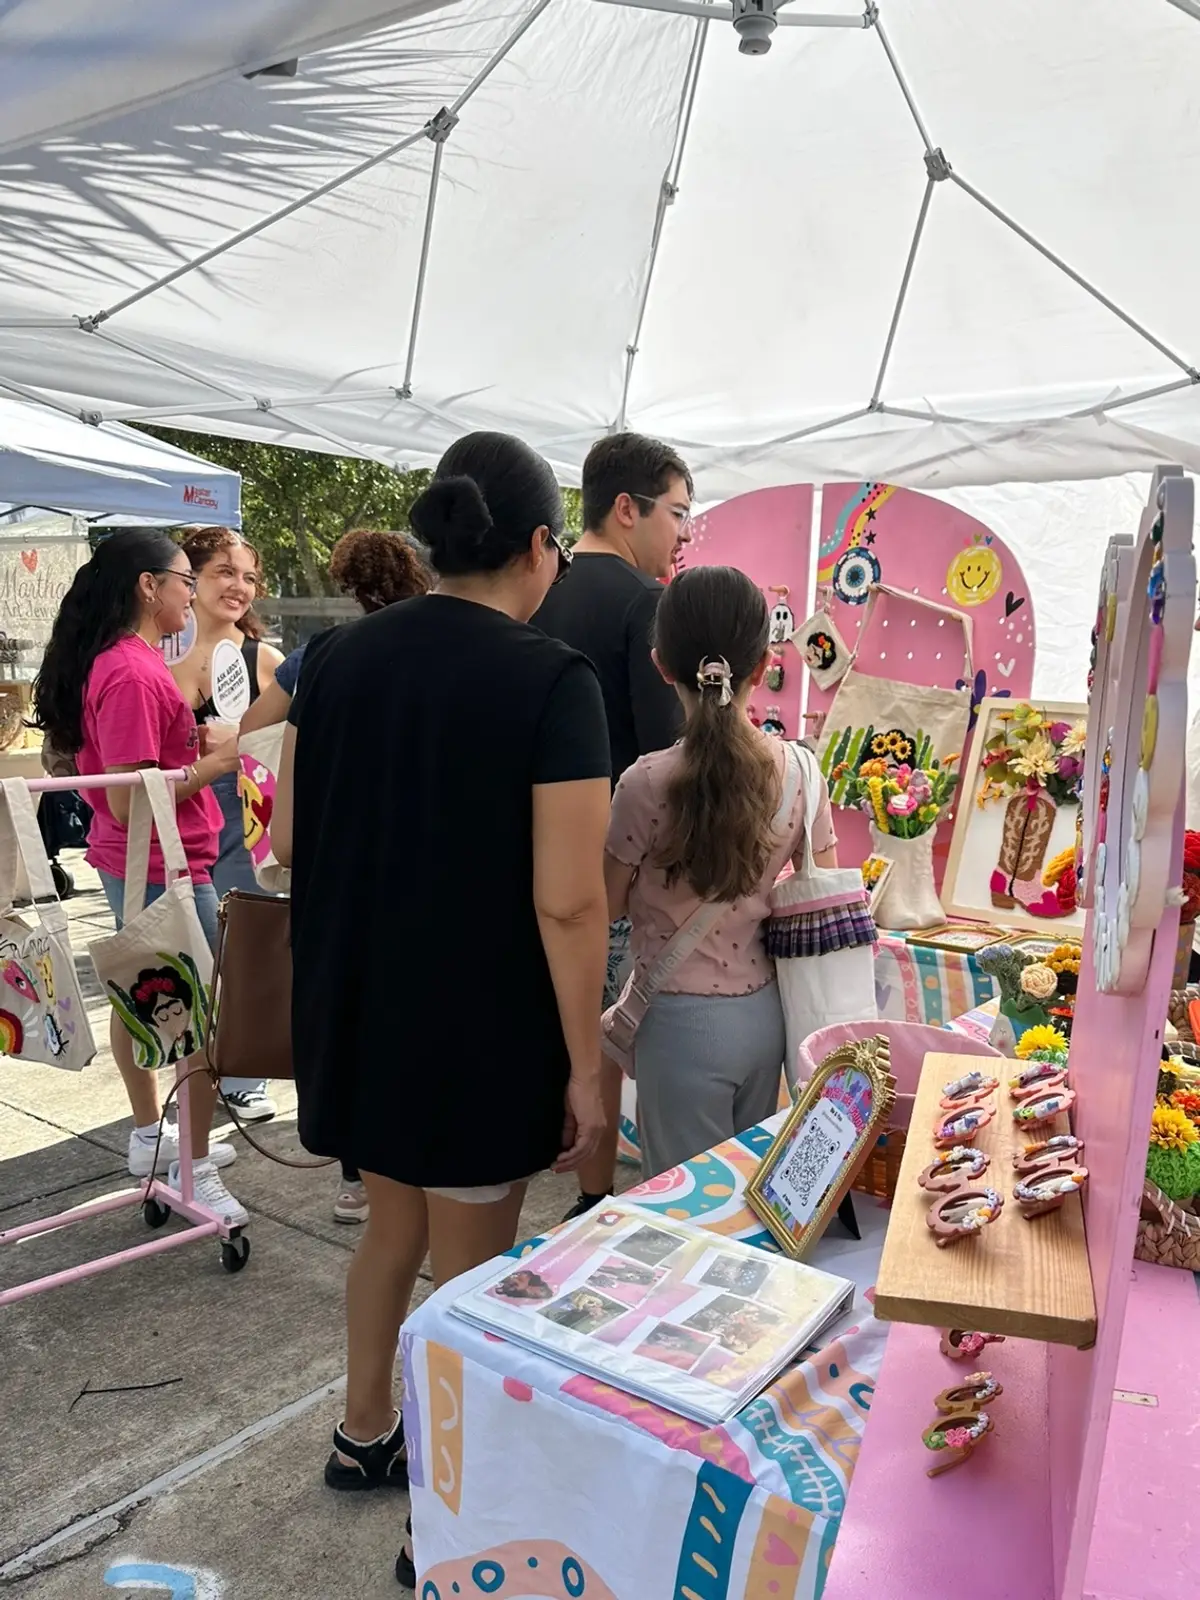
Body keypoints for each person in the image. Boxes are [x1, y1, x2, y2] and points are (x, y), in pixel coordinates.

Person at [269, 432, 611, 1590]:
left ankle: (365, 1433)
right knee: (473, 1277)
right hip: (475, 1032)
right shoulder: (552, 680)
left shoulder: (336, 660)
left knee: (393, 1232)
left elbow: (286, 842)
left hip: (360, 1018)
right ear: (536, 547)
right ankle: (442, 1522)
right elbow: (569, 905)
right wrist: (586, 1066)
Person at [31, 530, 246, 1224]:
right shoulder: (129, 669)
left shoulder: (126, 662)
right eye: (186, 578)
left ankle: (157, 1137)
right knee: (197, 1024)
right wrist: (210, 768)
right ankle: (193, 1161)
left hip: (150, 865)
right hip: (160, 868)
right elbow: (131, 796)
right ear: (148, 587)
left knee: (145, 1001)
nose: (193, 591)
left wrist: (194, 745)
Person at [604, 565, 839, 1178]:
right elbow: (823, 891)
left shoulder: (644, 783)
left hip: (674, 1024)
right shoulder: (800, 772)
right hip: (767, 1016)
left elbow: (603, 904)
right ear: (763, 665)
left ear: (661, 666)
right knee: (748, 1189)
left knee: (682, 1207)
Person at [238, 528, 431, 1224]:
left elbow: (255, 729)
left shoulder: (317, 656)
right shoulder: (443, 654)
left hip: (334, 867)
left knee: (349, 1014)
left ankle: (358, 1176)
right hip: (416, 865)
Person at [533, 432, 694, 1218]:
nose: (682, 535)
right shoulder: (643, 602)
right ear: (626, 509)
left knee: (560, 1016)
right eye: (677, 513)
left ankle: (560, 1156)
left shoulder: (538, 591)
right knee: (606, 1028)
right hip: (611, 863)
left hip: (532, 850)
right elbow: (666, 753)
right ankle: (594, 1192)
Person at [171, 527, 284, 1125]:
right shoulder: (156, 656)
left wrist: (240, 743)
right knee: (188, 958)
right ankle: (192, 1075)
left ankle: (244, 1070)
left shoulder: (264, 660)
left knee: (246, 948)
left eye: (247, 576)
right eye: (223, 572)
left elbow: (295, 745)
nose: (238, 587)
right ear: (187, 579)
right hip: (180, 830)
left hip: (246, 827)